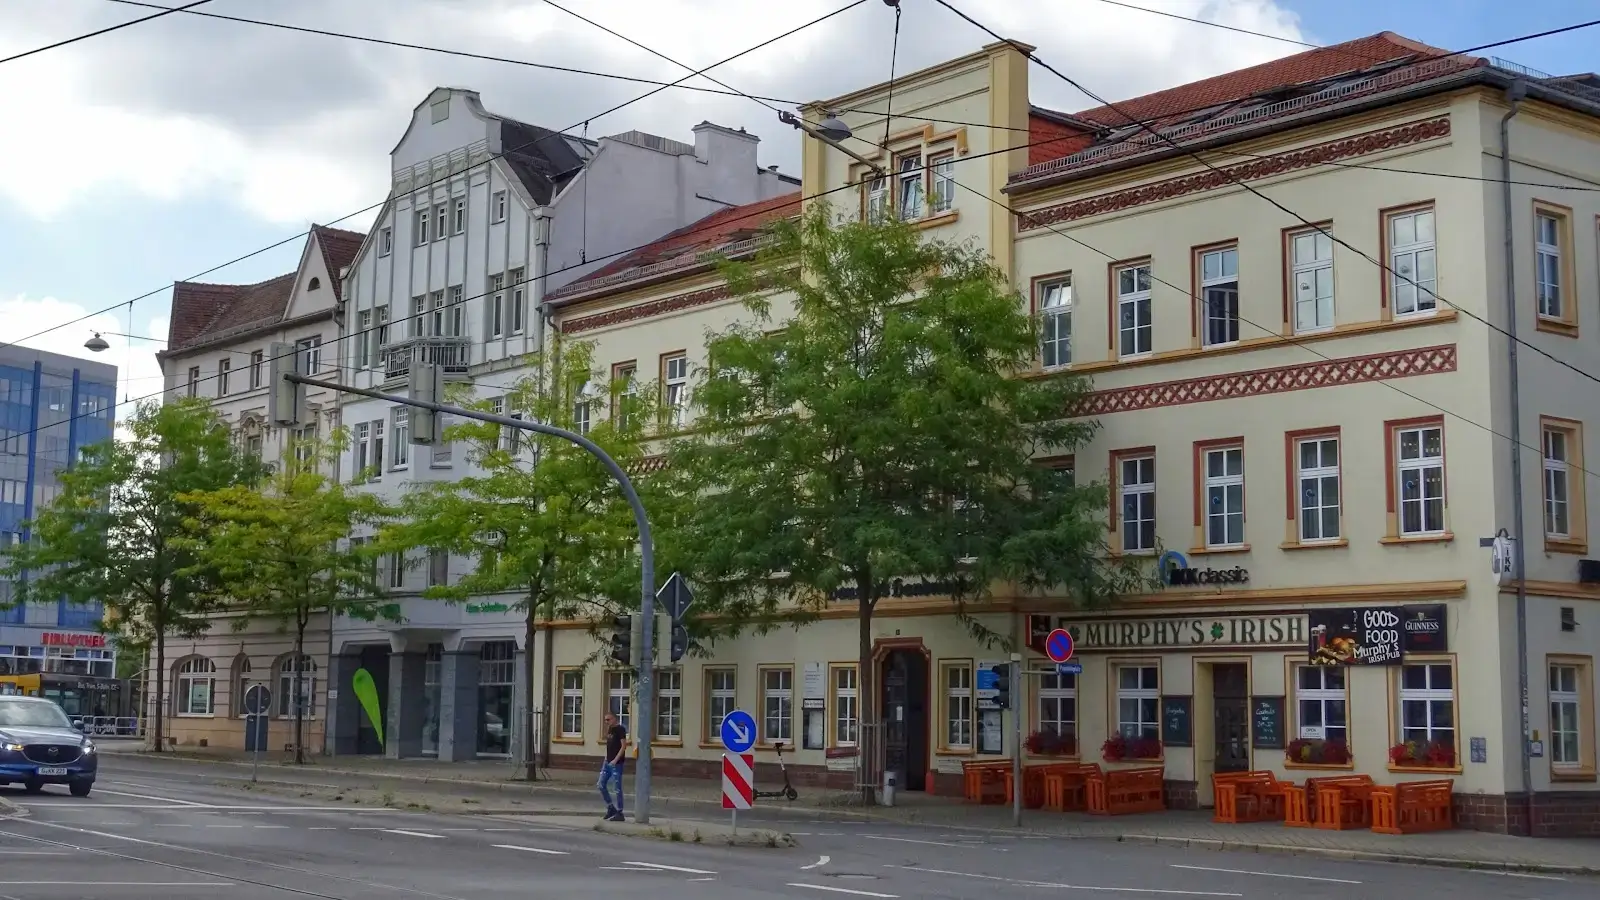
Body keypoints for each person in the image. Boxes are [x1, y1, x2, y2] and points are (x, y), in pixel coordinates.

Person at [597, 712, 627, 821]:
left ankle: (620, 812)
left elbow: (623, 746)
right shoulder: (610, 729)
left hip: (617, 763)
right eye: (605, 720)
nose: (606, 722)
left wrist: (616, 760)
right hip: (607, 762)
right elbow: (609, 745)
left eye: (608, 719)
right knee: (600, 784)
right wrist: (606, 758)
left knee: (617, 788)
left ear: (614, 719)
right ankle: (610, 807)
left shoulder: (620, 729)